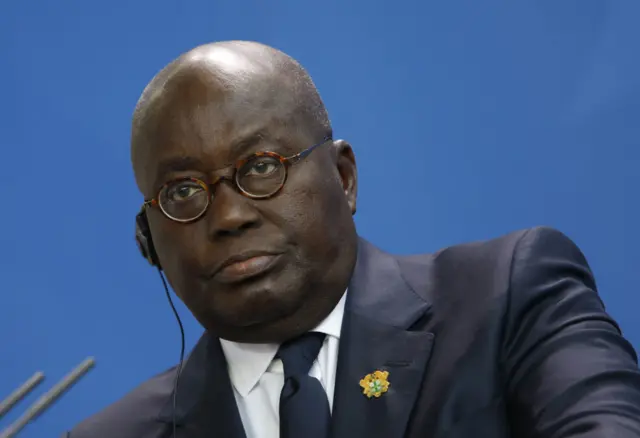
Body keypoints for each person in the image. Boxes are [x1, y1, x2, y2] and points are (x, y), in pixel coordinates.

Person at [66, 41, 640, 438]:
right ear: (149, 242)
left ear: (343, 179)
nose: (229, 216)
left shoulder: (508, 299)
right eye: (184, 191)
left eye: (262, 167)